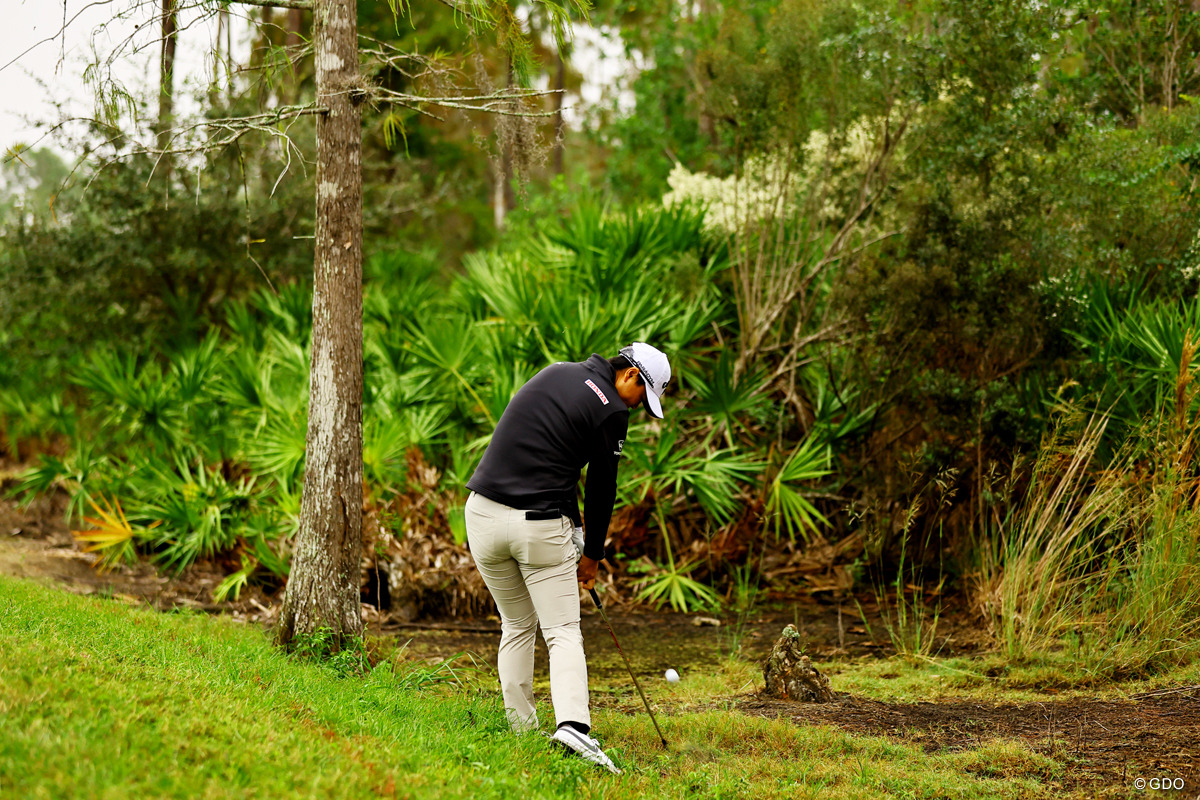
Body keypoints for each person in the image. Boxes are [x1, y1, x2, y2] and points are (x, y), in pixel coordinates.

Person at [464, 342, 671, 774]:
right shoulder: (613, 409)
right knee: (561, 630)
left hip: (481, 515)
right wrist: (592, 553)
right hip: (537, 527)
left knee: (517, 624)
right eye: (643, 399)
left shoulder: (556, 371)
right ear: (630, 376)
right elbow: (600, 489)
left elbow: (547, 457)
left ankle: (521, 731)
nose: (637, 410)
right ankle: (574, 727)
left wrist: (574, 530)